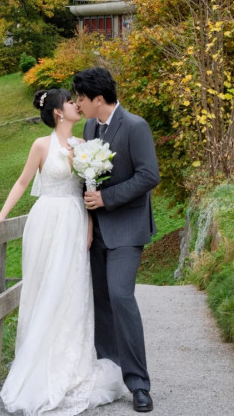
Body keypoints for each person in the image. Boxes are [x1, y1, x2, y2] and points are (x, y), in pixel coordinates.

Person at [0, 87, 125, 416]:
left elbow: (88, 189)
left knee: (72, 290)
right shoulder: (41, 145)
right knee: (44, 287)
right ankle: (37, 362)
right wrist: (2, 214)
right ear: (58, 112)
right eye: (70, 102)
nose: (77, 104)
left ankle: (70, 365)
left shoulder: (84, 145)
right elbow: (22, 182)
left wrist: (89, 226)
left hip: (74, 221)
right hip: (46, 220)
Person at [73, 66, 160, 414]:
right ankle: (109, 374)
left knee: (121, 297)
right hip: (96, 231)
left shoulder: (136, 126)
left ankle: (139, 384)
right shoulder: (89, 127)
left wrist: (106, 198)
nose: (78, 103)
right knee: (101, 301)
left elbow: (149, 175)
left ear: (98, 98)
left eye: (81, 98)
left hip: (127, 227)